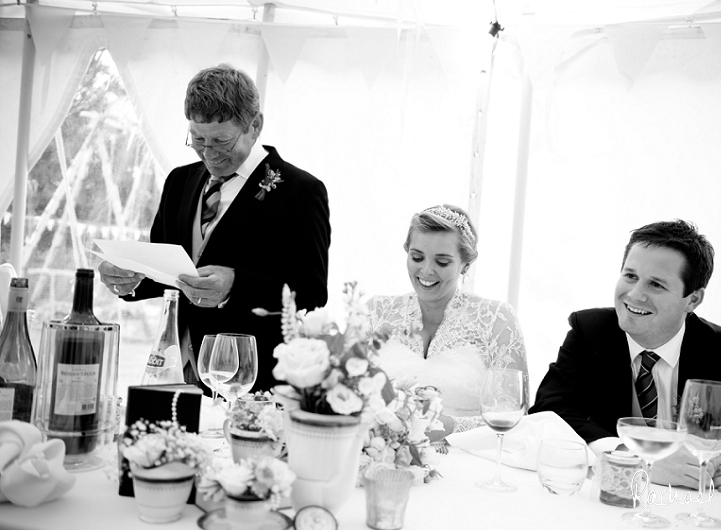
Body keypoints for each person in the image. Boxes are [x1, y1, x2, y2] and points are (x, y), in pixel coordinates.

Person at [530, 220, 721, 490]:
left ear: (692, 299)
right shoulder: (591, 331)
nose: (634, 294)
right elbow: (549, 411)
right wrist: (634, 457)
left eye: (656, 284)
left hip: (701, 511)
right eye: (630, 276)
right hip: (609, 500)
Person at [99, 65, 330, 392]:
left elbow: (312, 291)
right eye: (198, 139)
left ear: (255, 126)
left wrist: (236, 283)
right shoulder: (180, 181)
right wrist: (129, 276)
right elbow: (165, 270)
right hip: (177, 367)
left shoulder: (301, 191)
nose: (209, 154)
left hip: (250, 376)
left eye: (221, 141)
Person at [368, 204, 528, 439]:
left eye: (442, 262)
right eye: (417, 257)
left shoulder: (498, 320)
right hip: (382, 454)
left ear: (465, 264)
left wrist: (448, 426)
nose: (426, 270)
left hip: (470, 460)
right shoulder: (376, 311)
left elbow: (516, 416)